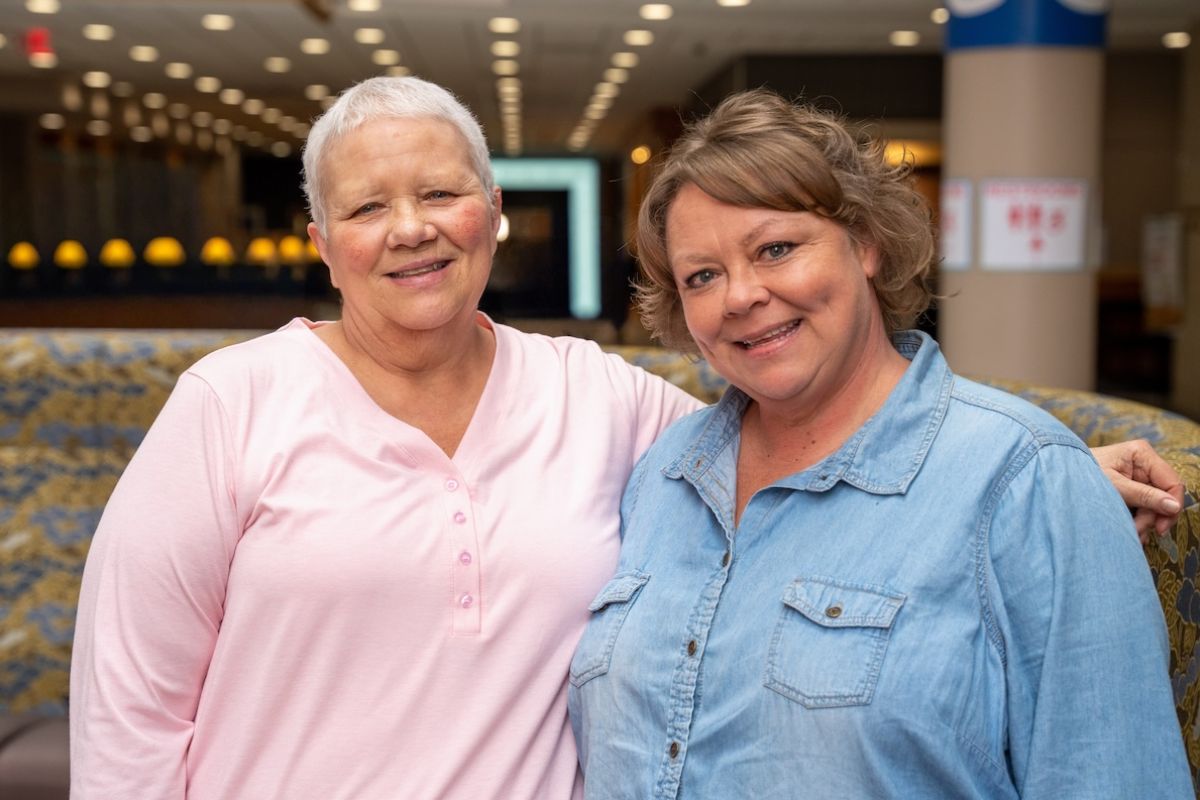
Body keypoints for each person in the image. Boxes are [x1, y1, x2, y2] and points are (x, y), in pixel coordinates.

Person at [69, 76, 1182, 799]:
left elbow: (852, 439)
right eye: (365, 208)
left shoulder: (604, 404)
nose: (408, 228)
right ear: (321, 240)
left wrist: (1043, 494)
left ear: (494, 210)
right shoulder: (231, 403)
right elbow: (129, 712)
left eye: (440, 192)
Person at [567, 89, 1193, 798]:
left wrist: (1048, 490)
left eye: (776, 248)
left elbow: (1111, 778)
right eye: (702, 275)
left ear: (865, 243)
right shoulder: (663, 472)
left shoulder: (1027, 485)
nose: (739, 296)